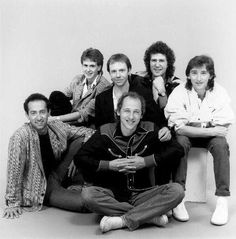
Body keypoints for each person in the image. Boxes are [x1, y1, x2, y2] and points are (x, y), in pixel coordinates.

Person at [74, 91, 185, 233]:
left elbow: (177, 149)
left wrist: (145, 162)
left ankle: (122, 220)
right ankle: (149, 216)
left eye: (136, 112)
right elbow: (80, 158)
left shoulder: (150, 129)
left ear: (141, 114)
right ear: (119, 111)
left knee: (177, 191)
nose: (131, 117)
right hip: (112, 196)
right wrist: (109, 165)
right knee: (87, 195)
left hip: (143, 194)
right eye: (127, 111)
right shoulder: (104, 131)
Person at [165, 55, 234, 225]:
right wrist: (209, 126)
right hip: (188, 136)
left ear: (211, 75)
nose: (198, 78)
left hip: (206, 136)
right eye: (194, 73)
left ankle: (222, 200)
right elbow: (179, 128)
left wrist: (192, 124)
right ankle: (179, 197)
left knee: (221, 145)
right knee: (180, 143)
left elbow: (223, 128)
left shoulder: (220, 92)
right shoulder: (179, 91)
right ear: (188, 75)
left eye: (203, 73)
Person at [3, 93, 95, 219]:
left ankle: (75, 184)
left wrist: (78, 156)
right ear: (27, 115)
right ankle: (70, 192)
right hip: (42, 186)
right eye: (33, 113)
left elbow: (89, 132)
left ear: (48, 112)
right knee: (87, 204)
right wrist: (12, 202)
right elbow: (14, 169)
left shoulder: (56, 126)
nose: (39, 117)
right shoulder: (20, 137)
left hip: (57, 174)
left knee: (81, 141)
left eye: (42, 112)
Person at [49, 47, 111, 127]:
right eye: (85, 65)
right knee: (55, 95)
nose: (88, 70)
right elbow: (63, 96)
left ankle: (57, 125)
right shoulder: (78, 79)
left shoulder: (104, 86)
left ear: (99, 67)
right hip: (72, 115)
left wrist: (55, 118)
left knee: (54, 122)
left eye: (92, 66)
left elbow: (85, 113)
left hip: (86, 122)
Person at [139, 41, 182, 109]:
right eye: (154, 60)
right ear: (148, 63)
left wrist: (162, 92)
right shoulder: (141, 81)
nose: (157, 65)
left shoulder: (176, 84)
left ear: (168, 63)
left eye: (161, 61)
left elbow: (169, 114)